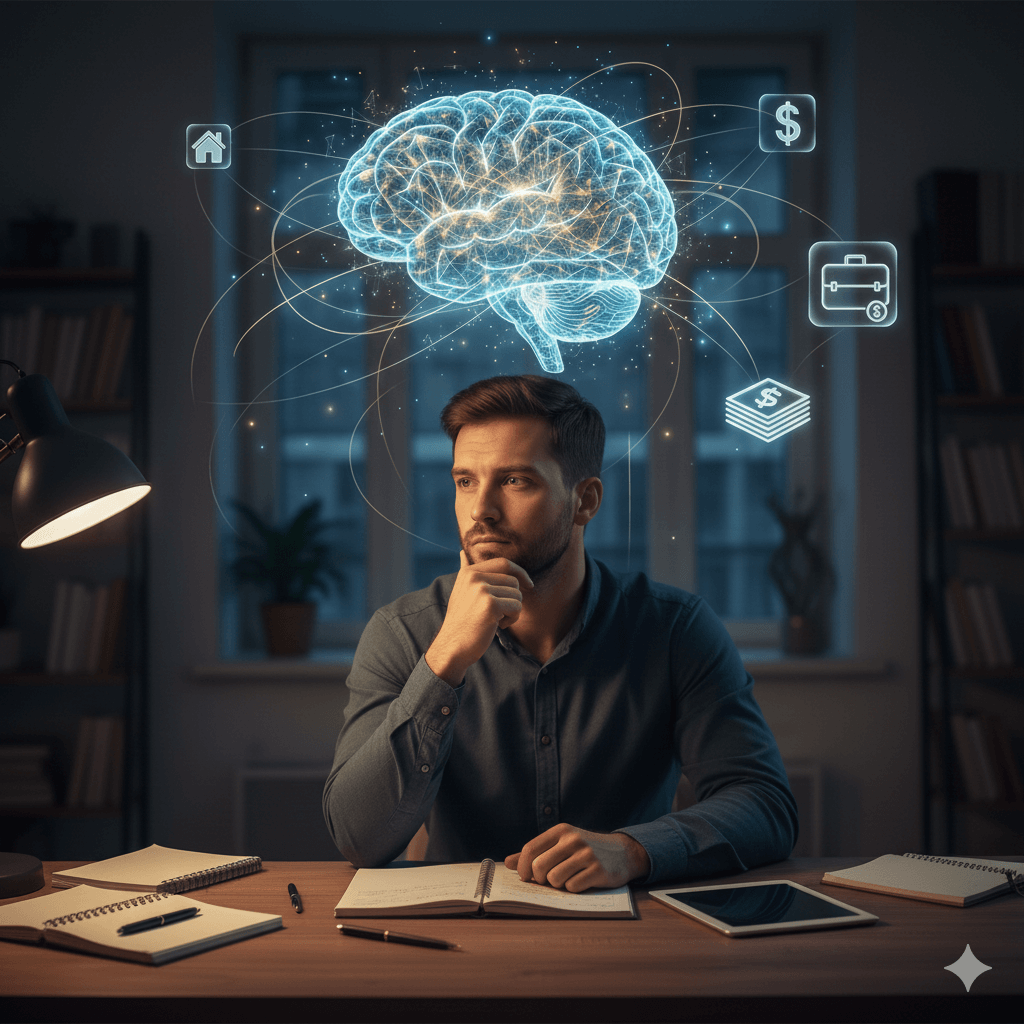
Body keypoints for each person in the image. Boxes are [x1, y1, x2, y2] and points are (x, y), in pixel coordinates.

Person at [323, 374, 798, 891]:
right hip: (460, 937)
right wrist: (446, 660)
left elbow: (765, 805)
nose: (481, 510)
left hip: (629, 936)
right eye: (465, 481)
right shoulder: (405, 633)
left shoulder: (674, 629)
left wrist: (636, 850)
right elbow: (357, 839)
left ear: (585, 501)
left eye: (514, 481)